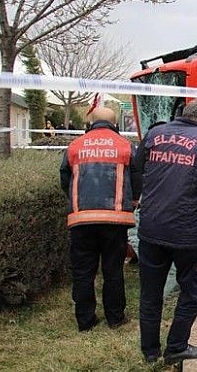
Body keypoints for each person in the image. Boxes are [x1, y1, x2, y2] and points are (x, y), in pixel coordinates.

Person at [135, 98, 197, 365]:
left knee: (150, 292)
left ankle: (150, 352)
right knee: (193, 290)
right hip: (187, 234)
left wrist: (137, 198)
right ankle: (176, 346)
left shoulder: (155, 134)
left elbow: (137, 167)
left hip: (151, 229)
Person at [59, 107, 141, 331]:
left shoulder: (75, 146)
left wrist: (79, 199)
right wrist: (132, 201)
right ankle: (115, 318)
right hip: (115, 221)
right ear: (115, 124)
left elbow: (64, 177)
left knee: (83, 271)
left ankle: (85, 321)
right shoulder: (125, 146)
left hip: (81, 219)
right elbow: (137, 178)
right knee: (113, 269)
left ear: (90, 124)